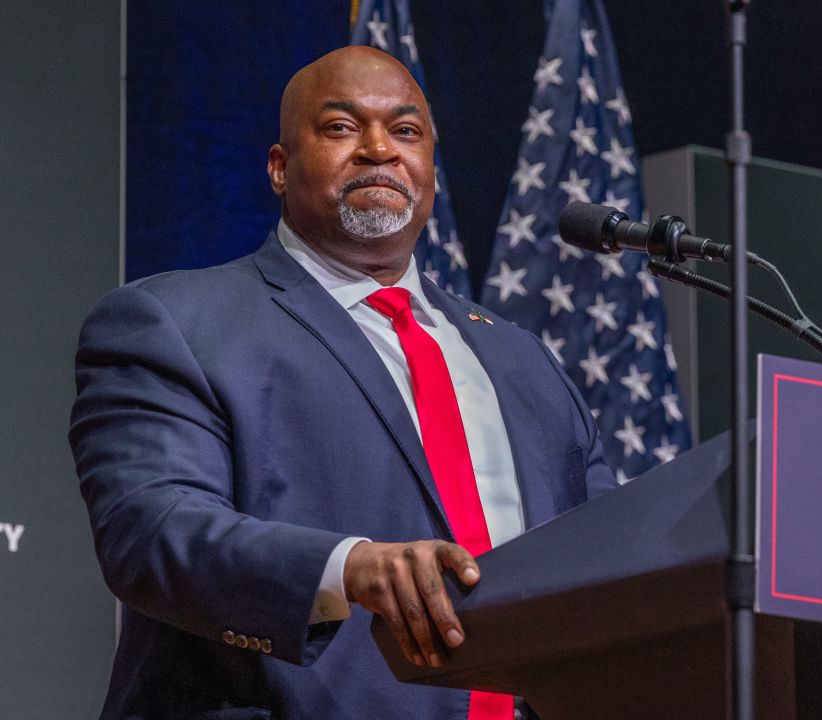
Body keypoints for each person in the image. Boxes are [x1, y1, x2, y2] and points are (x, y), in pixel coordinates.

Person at [69, 46, 615, 719]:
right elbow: (152, 532)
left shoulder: (524, 360)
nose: (379, 148)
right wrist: (347, 567)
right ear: (279, 167)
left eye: (406, 131)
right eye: (341, 127)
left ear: (432, 176)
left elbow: (608, 546)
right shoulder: (176, 323)